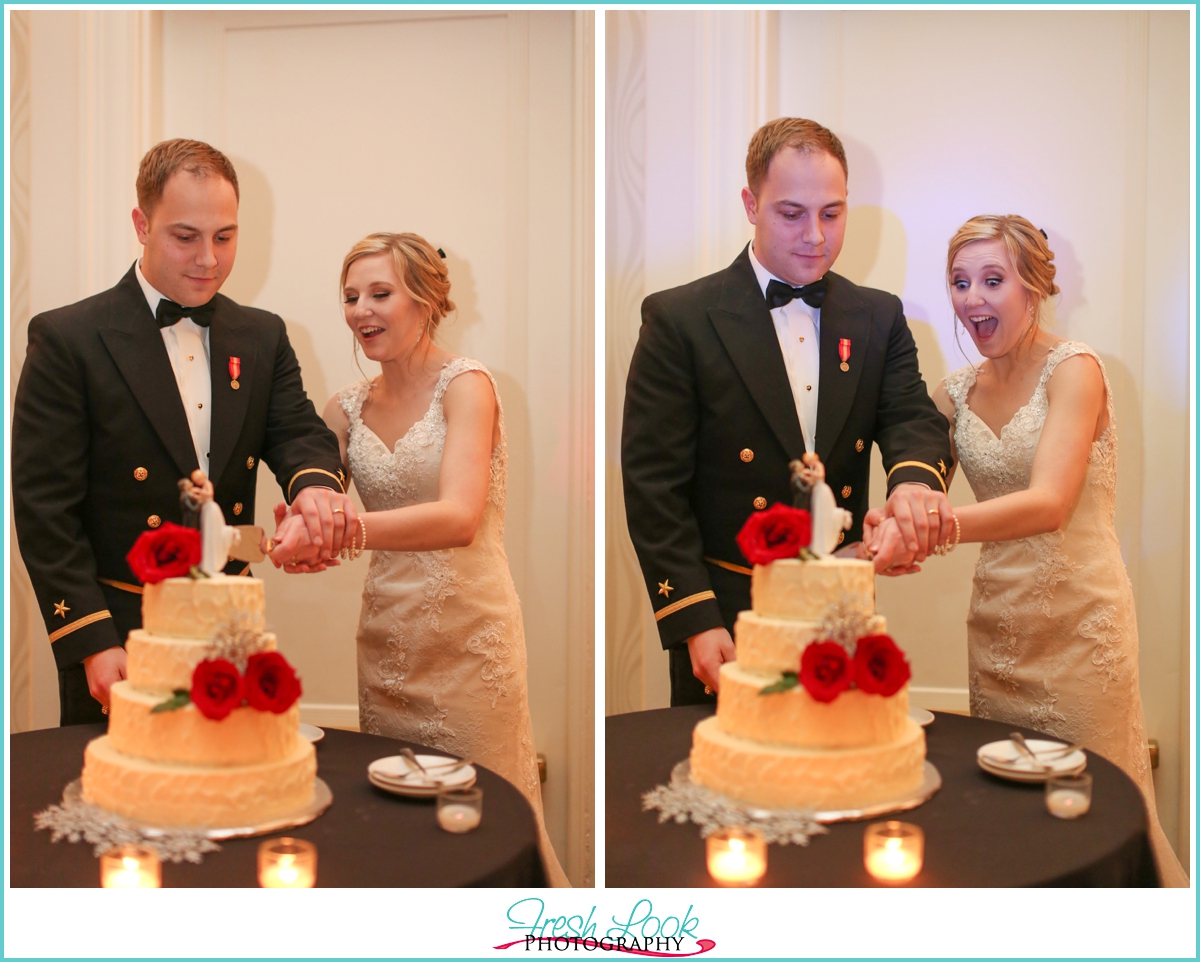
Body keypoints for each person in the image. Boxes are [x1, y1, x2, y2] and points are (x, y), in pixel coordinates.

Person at [865, 214, 1186, 886]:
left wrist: (939, 525)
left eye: (992, 280)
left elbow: (1049, 503)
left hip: (1081, 631)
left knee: (1095, 810)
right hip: (999, 633)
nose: (972, 298)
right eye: (960, 282)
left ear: (1033, 287)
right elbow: (920, 488)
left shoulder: (1077, 370)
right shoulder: (952, 394)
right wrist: (879, 535)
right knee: (1013, 819)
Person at [12, 139, 357, 726]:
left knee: (222, 794)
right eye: (185, 236)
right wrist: (90, 639)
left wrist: (316, 489)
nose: (208, 259)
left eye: (225, 237)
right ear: (141, 224)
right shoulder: (69, 337)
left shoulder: (262, 335)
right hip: (122, 627)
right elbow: (45, 508)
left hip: (227, 622)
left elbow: (296, 429)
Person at [621, 117, 954, 706]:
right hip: (729, 615)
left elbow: (910, 417)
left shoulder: (879, 315)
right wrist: (694, 619)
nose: (815, 235)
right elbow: (654, 489)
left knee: (835, 779)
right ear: (751, 204)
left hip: (839, 606)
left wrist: (911, 487)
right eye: (791, 213)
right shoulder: (680, 319)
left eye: (832, 212)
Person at [270, 232, 568, 886]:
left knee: (483, 816)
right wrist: (299, 532)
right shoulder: (344, 410)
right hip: (389, 644)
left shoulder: (469, 386)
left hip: (470, 642)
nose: (360, 310)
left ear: (427, 300)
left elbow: (459, 518)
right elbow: (325, 504)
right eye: (351, 296)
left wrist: (347, 531)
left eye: (380, 293)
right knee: (400, 827)